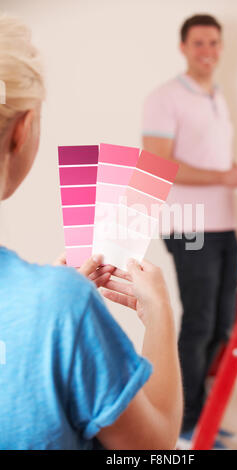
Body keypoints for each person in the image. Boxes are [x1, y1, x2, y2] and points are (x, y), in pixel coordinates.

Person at [0, 13, 183, 450]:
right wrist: (159, 316)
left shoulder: (55, 304)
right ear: (22, 130)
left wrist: (46, 313)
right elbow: (153, 451)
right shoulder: (60, 304)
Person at [142, 14, 237, 441]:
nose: (208, 51)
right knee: (198, 323)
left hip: (223, 221)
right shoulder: (165, 97)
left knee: (221, 323)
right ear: (183, 47)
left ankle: (199, 416)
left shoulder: (217, 96)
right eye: (199, 43)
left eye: (214, 43)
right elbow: (159, 165)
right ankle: (180, 427)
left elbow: (215, 162)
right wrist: (222, 178)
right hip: (189, 223)